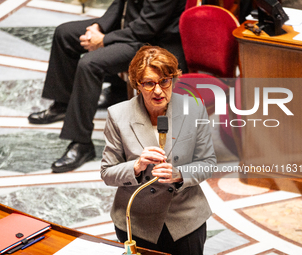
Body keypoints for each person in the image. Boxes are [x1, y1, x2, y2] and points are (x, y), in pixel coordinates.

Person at [28, 0, 187, 173]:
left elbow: (147, 28)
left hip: (153, 43)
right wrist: (98, 27)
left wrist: (103, 39)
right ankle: (63, 104)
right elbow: (120, 3)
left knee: (89, 64)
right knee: (64, 33)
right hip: (130, 30)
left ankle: (81, 144)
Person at [101, 46, 216, 255]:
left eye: (164, 81)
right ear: (137, 84)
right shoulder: (118, 115)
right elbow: (107, 173)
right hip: (138, 222)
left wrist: (179, 174)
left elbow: (208, 163)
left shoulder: (194, 108)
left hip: (185, 219)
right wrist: (136, 167)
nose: (158, 91)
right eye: (149, 83)